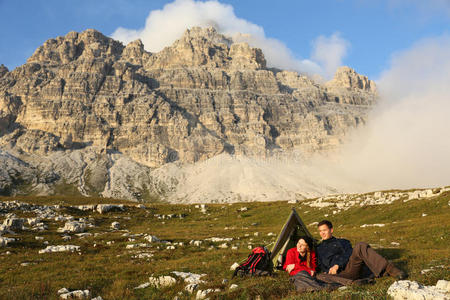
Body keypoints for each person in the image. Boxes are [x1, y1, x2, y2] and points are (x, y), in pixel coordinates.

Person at [315, 220, 406, 285]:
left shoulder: (343, 242)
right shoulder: (318, 248)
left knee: (360, 245)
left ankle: (392, 270)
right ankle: (356, 282)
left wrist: (337, 265)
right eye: (320, 231)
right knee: (320, 276)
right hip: (338, 275)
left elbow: (349, 253)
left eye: (324, 230)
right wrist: (328, 271)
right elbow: (320, 265)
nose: (322, 233)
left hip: (351, 267)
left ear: (331, 230)